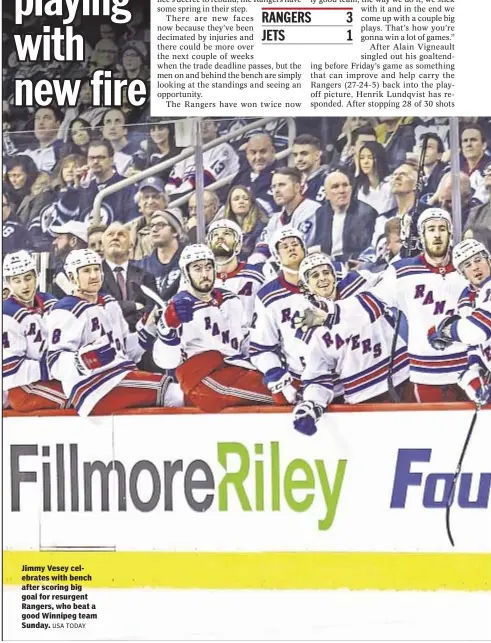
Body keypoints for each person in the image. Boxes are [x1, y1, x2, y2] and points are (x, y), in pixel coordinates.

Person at [46, 249, 184, 417]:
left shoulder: (110, 303)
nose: (94, 275)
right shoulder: (65, 310)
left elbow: (124, 350)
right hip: (93, 387)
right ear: (73, 277)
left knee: (173, 388)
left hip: (120, 376)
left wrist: (150, 328)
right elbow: (54, 363)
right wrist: (83, 360)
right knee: (173, 393)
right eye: (86, 271)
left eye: (97, 269)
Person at [292, 252, 409, 436]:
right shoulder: (308, 326)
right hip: (363, 397)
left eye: (326, 272)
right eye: (315, 276)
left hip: (403, 377)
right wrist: (312, 405)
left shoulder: (360, 283)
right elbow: (318, 377)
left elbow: (385, 290)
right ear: (306, 286)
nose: (323, 278)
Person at [153, 244, 273, 412]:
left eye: (209, 267)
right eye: (197, 268)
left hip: (236, 370)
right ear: (186, 273)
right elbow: (166, 361)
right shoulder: (179, 307)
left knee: (284, 384)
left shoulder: (230, 299)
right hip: (203, 380)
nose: (205, 274)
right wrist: (167, 328)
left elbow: (244, 340)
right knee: (279, 394)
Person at [368, 208, 468, 402]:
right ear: (421, 235)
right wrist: (332, 312)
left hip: (471, 369)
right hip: (426, 373)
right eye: (431, 229)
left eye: (442, 228)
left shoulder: (469, 268)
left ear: (451, 233)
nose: (437, 234)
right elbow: (369, 304)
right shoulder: (401, 272)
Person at [250, 226, 312, 404]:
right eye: (284, 246)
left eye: (295, 244)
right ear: (276, 256)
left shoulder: (328, 277)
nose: (291, 248)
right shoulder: (268, 296)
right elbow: (261, 348)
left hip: (343, 374)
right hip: (302, 379)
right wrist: (275, 372)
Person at [428, 239, 491, 406]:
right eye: (468, 265)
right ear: (463, 274)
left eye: (478, 260)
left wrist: (445, 331)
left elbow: (477, 332)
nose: (475, 267)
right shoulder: (468, 297)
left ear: (488, 260)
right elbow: (475, 345)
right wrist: (475, 372)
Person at [2, 251, 68, 412]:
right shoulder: (7, 314)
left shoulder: (51, 302)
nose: (24, 286)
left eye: (28, 278)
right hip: (18, 387)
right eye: (17, 281)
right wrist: (54, 367)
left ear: (36, 276)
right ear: (7, 283)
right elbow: (10, 369)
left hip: (50, 377)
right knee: (82, 397)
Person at [55, 139, 137, 226]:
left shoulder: (127, 186)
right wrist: (75, 186)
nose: (95, 161)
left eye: (101, 157)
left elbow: (132, 221)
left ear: (111, 160)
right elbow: (63, 220)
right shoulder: (84, 189)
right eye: (91, 158)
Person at [207, 218, 265, 328]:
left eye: (227, 233)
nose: (220, 237)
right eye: (215, 235)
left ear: (238, 244)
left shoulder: (255, 276)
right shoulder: (199, 279)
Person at [312, 168, 378, 263]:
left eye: (345, 185)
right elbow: (319, 245)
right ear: (326, 194)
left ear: (351, 189)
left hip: (353, 266)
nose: (342, 191)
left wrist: (334, 260)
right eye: (335, 187)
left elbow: (364, 250)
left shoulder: (366, 213)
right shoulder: (321, 213)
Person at [253, 167, 320, 259]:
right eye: (273, 186)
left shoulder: (312, 210)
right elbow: (262, 249)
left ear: (297, 187)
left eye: (282, 185)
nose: (276, 191)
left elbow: (298, 250)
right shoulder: (276, 219)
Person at [101, 222, 157, 332]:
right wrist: (133, 306)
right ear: (102, 246)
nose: (115, 237)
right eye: (110, 235)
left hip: (139, 337)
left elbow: (151, 310)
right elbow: (101, 307)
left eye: (121, 234)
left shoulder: (146, 276)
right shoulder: (95, 275)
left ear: (131, 246)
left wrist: (123, 325)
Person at [166, 118, 239, 197]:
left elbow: (206, 179)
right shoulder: (187, 151)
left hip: (213, 196)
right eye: (199, 124)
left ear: (216, 127)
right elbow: (174, 179)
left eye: (207, 123)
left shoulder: (224, 149)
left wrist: (177, 195)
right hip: (184, 196)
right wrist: (170, 193)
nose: (203, 127)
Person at [136, 209, 184, 297]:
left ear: (175, 231)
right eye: (151, 225)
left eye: (160, 225)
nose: (154, 229)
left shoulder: (188, 260)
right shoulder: (142, 266)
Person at [229, 133, 279, 214]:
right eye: (253, 152)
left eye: (263, 152)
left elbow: (267, 209)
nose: (258, 157)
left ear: (273, 152)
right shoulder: (242, 175)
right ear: (247, 155)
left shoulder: (280, 176)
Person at [126, 177, 169, 260]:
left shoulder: (173, 228)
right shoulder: (132, 231)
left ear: (165, 202)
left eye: (155, 197)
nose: (150, 201)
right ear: (139, 204)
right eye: (146, 197)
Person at [222, 185, 269, 260]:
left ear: (251, 203)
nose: (241, 202)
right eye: (236, 199)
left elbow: (258, 255)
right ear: (230, 204)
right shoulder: (222, 228)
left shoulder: (261, 226)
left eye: (245, 199)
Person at [354, 141, 395, 215]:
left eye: (370, 157)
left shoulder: (390, 183)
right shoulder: (359, 187)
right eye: (362, 158)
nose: (365, 162)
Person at [23, 106, 64, 172]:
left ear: (58, 123)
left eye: (47, 118)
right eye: (37, 118)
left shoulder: (63, 150)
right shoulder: (27, 151)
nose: (40, 122)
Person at [292, 134, 329, 203]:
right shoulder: (291, 179)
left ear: (317, 155)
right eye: (295, 155)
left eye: (304, 154)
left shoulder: (327, 180)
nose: (298, 159)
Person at [460, 123, 490, 204]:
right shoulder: (453, 169)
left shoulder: (489, 170)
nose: (468, 144)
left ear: (484, 145)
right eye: (465, 141)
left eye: (473, 140)